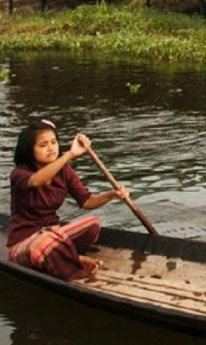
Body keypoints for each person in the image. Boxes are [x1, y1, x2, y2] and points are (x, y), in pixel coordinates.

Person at [7, 119, 129, 282]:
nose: (51, 148)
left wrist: (112, 195)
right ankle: (75, 263)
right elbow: (36, 181)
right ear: (30, 150)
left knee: (93, 224)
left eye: (53, 142)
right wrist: (70, 154)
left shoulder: (65, 171)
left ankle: (65, 257)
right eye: (43, 145)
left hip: (54, 235)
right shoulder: (19, 174)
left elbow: (86, 202)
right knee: (45, 240)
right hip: (26, 243)